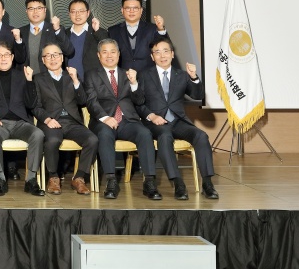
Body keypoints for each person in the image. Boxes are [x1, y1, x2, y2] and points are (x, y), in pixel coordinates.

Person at [136, 37, 218, 200]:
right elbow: (138, 102)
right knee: (165, 136)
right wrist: (152, 116)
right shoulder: (144, 75)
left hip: (178, 121)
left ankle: (208, 183)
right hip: (155, 122)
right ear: (152, 56)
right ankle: (178, 183)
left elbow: (198, 95)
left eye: (166, 51)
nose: (162, 55)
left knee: (201, 136)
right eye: (157, 52)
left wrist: (194, 77)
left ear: (172, 54)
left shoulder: (182, 75)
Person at [84, 38, 161, 200]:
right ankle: (111, 181)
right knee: (104, 134)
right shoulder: (91, 75)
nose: (109, 55)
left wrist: (134, 83)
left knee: (145, 133)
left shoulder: (129, 74)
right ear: (99, 55)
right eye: (105, 52)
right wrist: (105, 117)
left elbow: (139, 101)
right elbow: (91, 102)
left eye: (113, 52)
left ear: (118, 54)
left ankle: (149, 182)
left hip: (127, 121)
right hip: (103, 121)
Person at [29, 42, 104, 196]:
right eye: (48, 56)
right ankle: (53, 177)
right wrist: (47, 119)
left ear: (62, 58)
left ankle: (79, 178)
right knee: (52, 140)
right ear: (43, 60)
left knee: (92, 139)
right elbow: (35, 106)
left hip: (72, 122)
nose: (52, 58)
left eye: (56, 55)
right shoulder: (38, 79)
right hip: (51, 122)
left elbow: (83, 101)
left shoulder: (71, 76)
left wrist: (76, 80)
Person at [0, 42, 45, 197]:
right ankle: (0, 179)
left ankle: (31, 180)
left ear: (12, 57)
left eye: (6, 55)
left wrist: (29, 81)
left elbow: (31, 104)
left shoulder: (22, 76)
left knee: (38, 134)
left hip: (20, 123)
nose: (3, 58)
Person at [107, 0, 168, 73]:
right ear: (122, 10)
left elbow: (165, 47)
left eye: (135, 8)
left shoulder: (152, 28)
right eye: (128, 8)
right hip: (123, 76)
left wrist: (161, 29)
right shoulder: (113, 31)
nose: (131, 11)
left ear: (141, 10)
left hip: (149, 76)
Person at [15, 0, 73, 75]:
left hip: (49, 79)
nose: (35, 12)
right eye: (31, 9)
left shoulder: (55, 29)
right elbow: (18, 59)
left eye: (39, 8)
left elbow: (69, 51)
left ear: (45, 10)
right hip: (26, 78)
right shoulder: (20, 32)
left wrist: (57, 29)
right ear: (26, 11)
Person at [65, 0, 107, 84]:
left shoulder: (98, 31)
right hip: (69, 82)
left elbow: (107, 49)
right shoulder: (64, 34)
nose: (77, 15)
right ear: (69, 14)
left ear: (88, 13)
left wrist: (97, 31)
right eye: (73, 12)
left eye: (81, 11)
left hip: (94, 82)